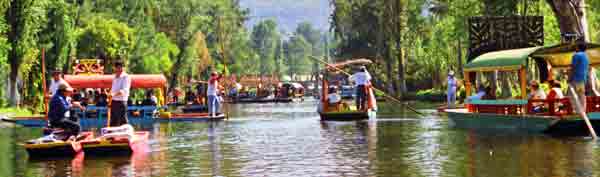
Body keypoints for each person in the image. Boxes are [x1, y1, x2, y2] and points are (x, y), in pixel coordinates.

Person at [110, 61, 131, 127]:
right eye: (117, 68)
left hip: (121, 101)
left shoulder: (126, 77)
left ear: (122, 68)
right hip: (114, 101)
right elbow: (113, 89)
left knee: (123, 119)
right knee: (113, 120)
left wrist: (113, 94)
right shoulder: (114, 77)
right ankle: (112, 135)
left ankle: (126, 134)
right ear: (115, 68)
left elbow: (124, 90)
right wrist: (110, 95)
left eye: (120, 68)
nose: (118, 69)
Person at [570, 42, 589, 110]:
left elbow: (573, 67)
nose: (575, 48)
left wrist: (569, 77)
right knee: (582, 95)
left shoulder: (576, 55)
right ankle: (583, 110)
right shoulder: (586, 56)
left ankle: (576, 110)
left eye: (576, 47)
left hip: (576, 78)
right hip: (583, 79)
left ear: (578, 48)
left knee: (573, 95)